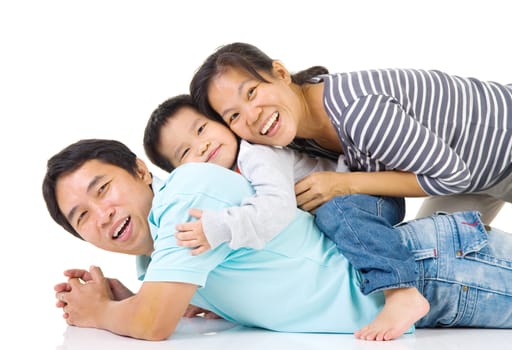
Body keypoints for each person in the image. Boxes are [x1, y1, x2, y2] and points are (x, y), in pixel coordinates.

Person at [45, 139, 512, 343]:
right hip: (431, 283)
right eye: (82, 216)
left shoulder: (186, 193)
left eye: (102, 189)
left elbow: (154, 323)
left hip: (436, 270)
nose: (102, 215)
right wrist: (124, 299)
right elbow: (158, 307)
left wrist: (101, 313)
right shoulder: (152, 258)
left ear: (141, 170)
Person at [143, 94, 428, 339]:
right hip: (348, 221)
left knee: (334, 210)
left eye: (202, 129)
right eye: (186, 151)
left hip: (370, 197)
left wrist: (219, 227)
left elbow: (275, 209)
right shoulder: (225, 180)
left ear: (223, 122)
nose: (202, 146)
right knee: (331, 216)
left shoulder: (256, 155)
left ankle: (400, 292)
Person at [189, 42, 512, 225]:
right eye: (233, 115)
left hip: (500, 148)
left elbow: (452, 177)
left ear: (281, 73)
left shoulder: (359, 112)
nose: (252, 116)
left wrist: (345, 184)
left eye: (251, 93)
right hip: (477, 173)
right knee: (430, 256)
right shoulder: (296, 132)